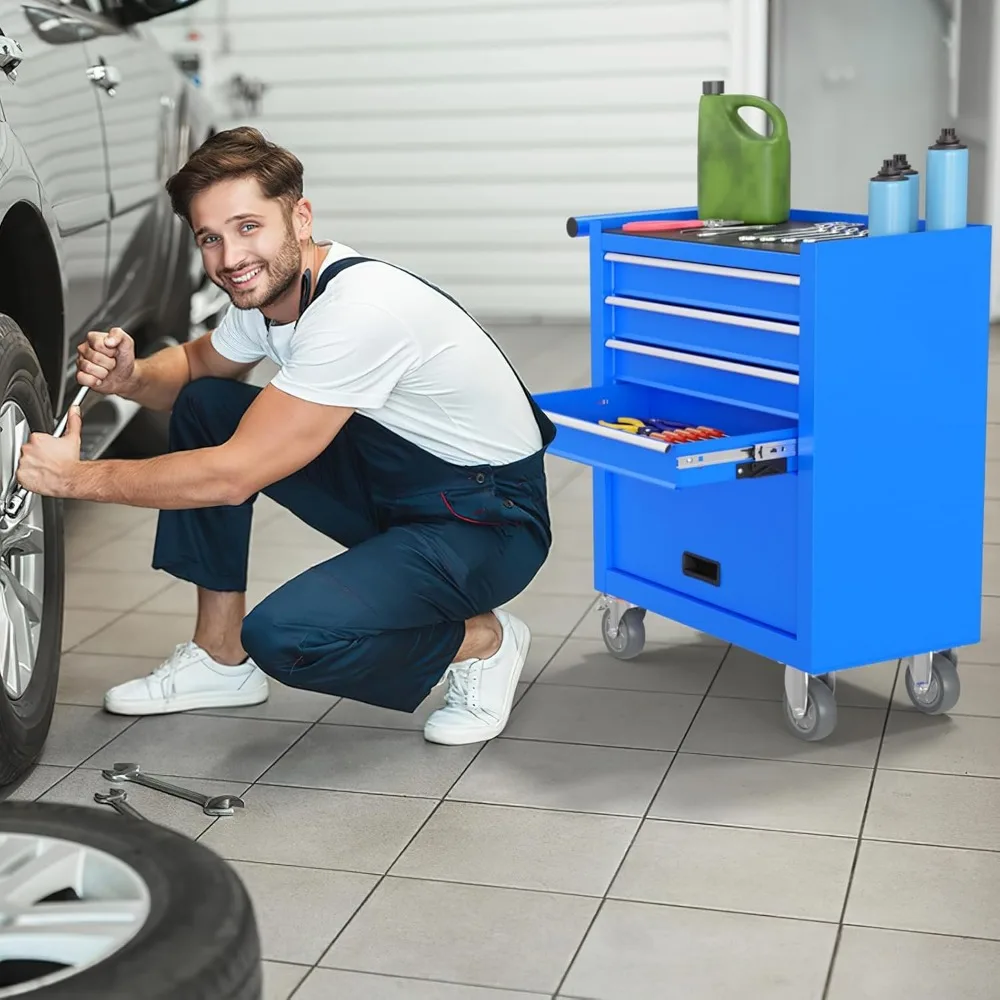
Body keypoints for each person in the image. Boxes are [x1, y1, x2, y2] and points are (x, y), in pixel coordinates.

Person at [15, 126, 554, 746]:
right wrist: (131, 378)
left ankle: (483, 641)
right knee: (205, 404)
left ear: (300, 218)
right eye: (210, 238)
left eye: (248, 227)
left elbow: (231, 476)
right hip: (402, 484)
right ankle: (219, 657)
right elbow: (193, 368)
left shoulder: (357, 310)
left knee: (287, 636)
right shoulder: (271, 296)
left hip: (488, 523)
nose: (230, 258)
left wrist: (74, 478)